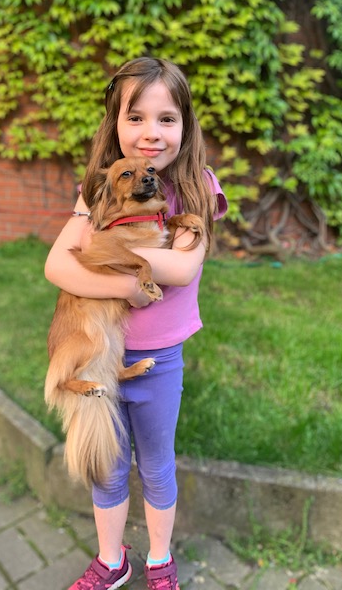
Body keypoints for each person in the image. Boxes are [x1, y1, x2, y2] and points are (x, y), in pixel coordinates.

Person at [44, 57, 227, 590]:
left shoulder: (196, 188)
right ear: (116, 123)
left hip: (159, 358)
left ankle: (160, 559)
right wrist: (126, 286)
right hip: (102, 355)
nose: (151, 133)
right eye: (136, 117)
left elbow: (181, 267)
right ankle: (112, 560)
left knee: (156, 465)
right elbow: (56, 266)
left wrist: (107, 253)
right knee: (106, 464)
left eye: (167, 119)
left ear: (185, 126)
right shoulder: (98, 189)